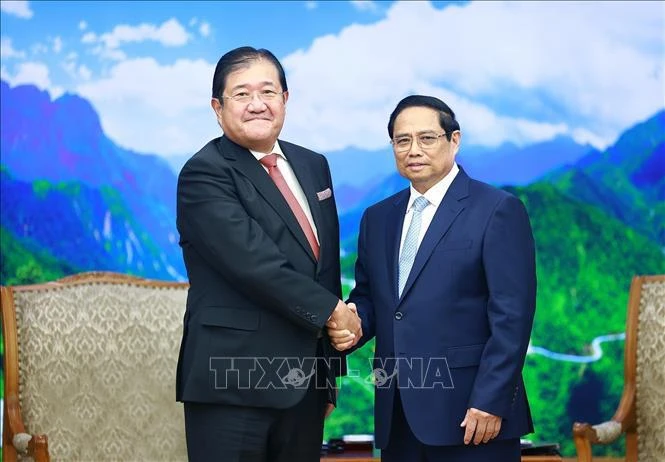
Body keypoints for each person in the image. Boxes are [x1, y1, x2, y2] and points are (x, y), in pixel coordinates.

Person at [175, 46, 361, 462]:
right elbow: (255, 265)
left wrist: (326, 378)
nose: (257, 104)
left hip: (304, 387)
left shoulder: (314, 165)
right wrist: (336, 312)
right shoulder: (204, 172)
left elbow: (324, 269)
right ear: (217, 108)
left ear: (285, 99)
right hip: (233, 386)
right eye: (241, 94)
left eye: (268, 92)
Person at [329, 95, 537, 462]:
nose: (413, 150)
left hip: (473, 418)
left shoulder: (498, 210)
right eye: (402, 140)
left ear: (453, 140)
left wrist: (490, 401)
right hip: (397, 416)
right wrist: (353, 324)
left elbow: (513, 317)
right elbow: (372, 300)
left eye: (427, 138)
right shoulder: (377, 218)